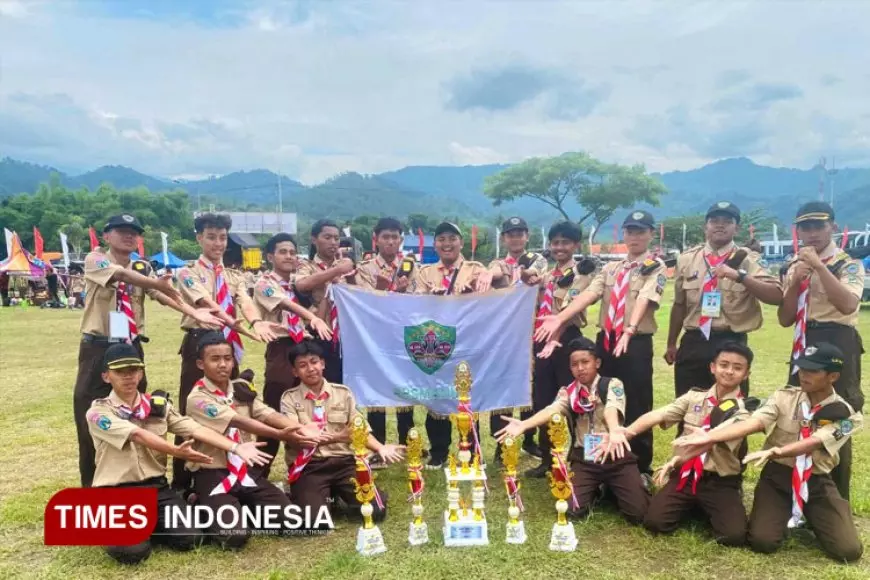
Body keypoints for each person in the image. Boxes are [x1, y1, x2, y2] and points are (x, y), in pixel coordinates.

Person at [673, 342, 863, 562]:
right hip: (777, 477)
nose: (803, 375)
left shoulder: (847, 415)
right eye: (801, 368)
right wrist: (710, 436)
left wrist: (777, 451)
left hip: (816, 481)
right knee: (762, 541)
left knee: (848, 551)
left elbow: (815, 441)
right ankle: (786, 516)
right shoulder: (784, 397)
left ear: (833, 377)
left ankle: (820, 516)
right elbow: (755, 422)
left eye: (813, 370)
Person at [87, 343, 272, 564]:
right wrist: (175, 451)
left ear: (141, 372)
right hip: (117, 492)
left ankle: (156, 520)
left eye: (133, 370)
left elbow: (194, 428)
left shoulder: (158, 406)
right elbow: (137, 434)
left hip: (156, 488)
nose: (128, 377)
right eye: (120, 372)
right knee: (133, 553)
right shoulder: (99, 412)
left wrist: (235, 447)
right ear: (106, 376)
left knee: (191, 539)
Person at [74, 214, 221, 488]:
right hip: (99, 348)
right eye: (121, 231)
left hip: (131, 346)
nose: (129, 236)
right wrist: (154, 283)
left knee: (137, 414)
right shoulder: (96, 259)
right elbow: (121, 276)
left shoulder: (141, 265)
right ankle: (93, 490)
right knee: (91, 418)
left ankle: (140, 481)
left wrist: (193, 311)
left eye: (134, 232)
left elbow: (162, 294)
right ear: (106, 236)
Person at [536, 210, 665, 477]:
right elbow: (590, 294)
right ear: (624, 235)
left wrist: (629, 329)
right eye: (630, 231)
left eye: (641, 231)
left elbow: (643, 298)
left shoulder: (655, 266)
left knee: (638, 402)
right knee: (598, 398)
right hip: (605, 341)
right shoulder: (610, 268)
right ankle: (597, 461)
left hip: (634, 342)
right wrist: (558, 318)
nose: (634, 237)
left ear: (651, 234)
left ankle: (640, 466)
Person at [173, 213, 279, 491]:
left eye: (222, 237)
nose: (217, 243)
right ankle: (186, 481)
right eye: (211, 237)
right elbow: (204, 300)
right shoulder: (188, 272)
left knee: (231, 403)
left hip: (227, 342)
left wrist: (255, 321)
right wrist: (231, 320)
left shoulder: (233, 275)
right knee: (192, 410)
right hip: (200, 341)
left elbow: (244, 300)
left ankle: (234, 468)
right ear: (199, 238)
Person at [185, 332, 320, 548]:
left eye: (228, 358)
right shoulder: (197, 398)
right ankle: (199, 502)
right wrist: (280, 435)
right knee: (235, 537)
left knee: (293, 521)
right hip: (214, 473)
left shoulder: (240, 388)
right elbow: (237, 421)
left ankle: (236, 508)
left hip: (246, 472)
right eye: (215, 359)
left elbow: (267, 413)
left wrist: (301, 428)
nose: (223, 365)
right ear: (201, 364)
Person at [496, 337, 648, 523]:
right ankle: (596, 489)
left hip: (614, 454)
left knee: (638, 513)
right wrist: (524, 425)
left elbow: (611, 408)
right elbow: (552, 410)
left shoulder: (612, 384)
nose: (580, 368)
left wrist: (615, 429)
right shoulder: (569, 393)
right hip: (585, 457)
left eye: (585, 362)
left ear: (597, 362)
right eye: (575, 364)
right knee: (572, 510)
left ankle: (616, 486)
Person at [621, 342, 753, 546]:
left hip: (719, 481)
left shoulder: (745, 411)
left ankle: (711, 504)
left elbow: (711, 442)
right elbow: (658, 415)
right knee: (655, 522)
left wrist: (676, 459)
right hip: (686, 476)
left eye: (737, 367)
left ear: (746, 374)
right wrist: (626, 433)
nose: (729, 371)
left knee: (733, 537)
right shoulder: (694, 397)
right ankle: (695, 505)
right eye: (723, 364)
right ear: (712, 367)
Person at [778, 201, 864, 501]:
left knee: (837, 413)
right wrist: (796, 281)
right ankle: (799, 493)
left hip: (838, 339)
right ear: (797, 231)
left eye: (818, 226)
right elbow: (785, 318)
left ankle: (835, 499)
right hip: (804, 337)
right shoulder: (792, 265)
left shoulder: (848, 264)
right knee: (799, 411)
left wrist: (817, 266)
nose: (811, 233)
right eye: (805, 227)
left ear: (833, 228)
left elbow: (849, 304)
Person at [665, 201, 782, 397]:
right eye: (714, 221)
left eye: (727, 221)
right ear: (705, 226)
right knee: (687, 406)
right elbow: (679, 304)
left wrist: (740, 276)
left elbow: (777, 295)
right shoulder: (686, 259)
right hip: (694, 340)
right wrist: (671, 343)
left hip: (730, 342)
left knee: (730, 411)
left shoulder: (748, 259)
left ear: (737, 228)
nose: (720, 225)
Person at [281, 339, 404, 524]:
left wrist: (380, 448)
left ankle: (336, 495)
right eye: (302, 365)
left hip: (344, 463)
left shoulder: (343, 393)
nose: (311, 368)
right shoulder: (289, 399)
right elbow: (297, 440)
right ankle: (315, 495)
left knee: (375, 511)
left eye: (314, 362)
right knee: (316, 522)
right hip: (310, 466)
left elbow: (358, 430)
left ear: (323, 363)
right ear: (294, 371)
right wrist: (340, 436)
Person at [253, 232, 332, 476]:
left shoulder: (298, 286)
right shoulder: (265, 283)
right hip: (281, 349)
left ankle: (304, 471)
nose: (289, 256)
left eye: (292, 252)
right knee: (275, 413)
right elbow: (288, 306)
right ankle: (257, 475)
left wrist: (329, 293)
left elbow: (315, 314)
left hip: (303, 347)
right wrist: (311, 317)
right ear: (269, 256)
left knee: (305, 408)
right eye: (282, 252)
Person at [413, 221, 490, 469]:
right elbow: (412, 305)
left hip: (468, 343)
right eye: (442, 239)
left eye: (452, 239)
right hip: (436, 344)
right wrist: (429, 299)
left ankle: (471, 451)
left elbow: (487, 298)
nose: (447, 244)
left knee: (467, 397)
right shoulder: (425, 272)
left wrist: (470, 295)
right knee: (437, 399)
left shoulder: (475, 269)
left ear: (461, 242)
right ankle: (438, 452)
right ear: (435, 244)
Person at [526, 220, 595, 478]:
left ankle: (579, 459)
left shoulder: (582, 273)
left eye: (565, 242)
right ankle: (547, 458)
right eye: (555, 243)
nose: (559, 247)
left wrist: (555, 335)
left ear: (576, 245)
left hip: (567, 341)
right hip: (542, 340)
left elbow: (567, 310)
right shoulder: (548, 273)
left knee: (574, 400)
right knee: (543, 399)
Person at [355, 217, 418, 459]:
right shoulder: (365, 269)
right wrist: (385, 292)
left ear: (401, 240)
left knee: (405, 391)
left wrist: (401, 293)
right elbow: (362, 303)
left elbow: (418, 302)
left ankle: (407, 441)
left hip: (403, 338)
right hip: (374, 340)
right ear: (376, 239)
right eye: (385, 237)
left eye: (395, 237)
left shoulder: (412, 268)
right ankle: (377, 445)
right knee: (375, 393)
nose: (390, 242)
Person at [294, 219, 356, 384]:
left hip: (346, 334)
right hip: (319, 334)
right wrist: (336, 271)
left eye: (336, 238)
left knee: (346, 387)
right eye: (327, 237)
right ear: (314, 239)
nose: (333, 242)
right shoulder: (306, 266)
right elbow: (302, 285)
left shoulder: (348, 266)